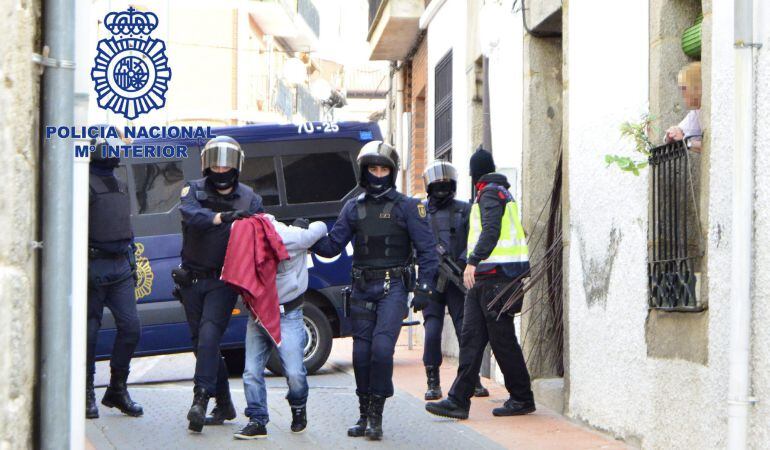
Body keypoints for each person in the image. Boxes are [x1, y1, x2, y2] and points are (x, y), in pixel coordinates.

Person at [311, 141, 438, 440]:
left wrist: (424, 287)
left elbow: (428, 251)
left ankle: (377, 416)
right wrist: (308, 234)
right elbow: (331, 247)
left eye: (383, 169)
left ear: (391, 172)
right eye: (373, 168)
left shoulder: (408, 207)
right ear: (364, 171)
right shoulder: (353, 208)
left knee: (382, 350)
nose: (378, 174)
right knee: (362, 353)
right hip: (361, 288)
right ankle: (364, 413)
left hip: (393, 287)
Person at [425, 148, 534, 420]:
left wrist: (472, 261)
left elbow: (492, 230)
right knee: (472, 339)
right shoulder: (499, 192)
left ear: (475, 175)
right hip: (487, 279)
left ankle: (522, 397)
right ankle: (458, 400)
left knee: (502, 340)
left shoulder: (489, 193)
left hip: (496, 277)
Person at [176, 136, 263, 432]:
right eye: (215, 162)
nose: (221, 168)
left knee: (209, 336)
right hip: (191, 280)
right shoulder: (193, 189)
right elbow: (189, 215)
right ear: (206, 164)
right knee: (201, 345)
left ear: (236, 165)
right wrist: (221, 217)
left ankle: (200, 400)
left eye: (226, 163)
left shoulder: (250, 198)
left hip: (223, 282)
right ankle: (224, 404)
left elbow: (264, 233)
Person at [233, 217, 327, 440]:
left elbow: (320, 227)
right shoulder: (246, 240)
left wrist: (307, 229)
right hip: (258, 315)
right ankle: (257, 420)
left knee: (294, 373)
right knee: (251, 372)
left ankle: (298, 406)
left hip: (288, 314)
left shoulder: (290, 237)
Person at [86, 128, 143, 419]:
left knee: (132, 328)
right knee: (90, 333)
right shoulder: (83, 184)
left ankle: (117, 390)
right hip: (93, 267)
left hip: (120, 266)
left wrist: (132, 264)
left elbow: (126, 227)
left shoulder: (120, 184)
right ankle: (86, 394)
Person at [420, 160, 488, 401]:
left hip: (457, 277)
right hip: (431, 279)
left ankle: (472, 379)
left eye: (444, 184)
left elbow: (474, 238)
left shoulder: (464, 209)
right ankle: (433, 380)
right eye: (437, 184)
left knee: (464, 329)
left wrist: (461, 263)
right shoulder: (421, 211)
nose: (440, 188)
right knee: (434, 328)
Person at [665, 62, 702, 152]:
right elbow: (680, 132)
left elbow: (714, 146)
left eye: (684, 88)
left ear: (696, 88)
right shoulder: (697, 112)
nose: (682, 93)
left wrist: (687, 142)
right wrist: (673, 133)